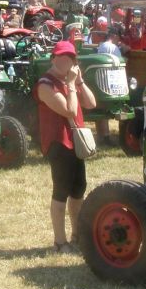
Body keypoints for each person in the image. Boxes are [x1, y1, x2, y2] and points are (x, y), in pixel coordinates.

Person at [36, 40, 97, 253]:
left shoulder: (70, 80)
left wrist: (79, 83)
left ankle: (77, 235)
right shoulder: (46, 84)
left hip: (75, 142)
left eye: (69, 59)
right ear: (53, 59)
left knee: (78, 189)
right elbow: (70, 111)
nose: (64, 62)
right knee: (61, 191)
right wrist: (71, 85)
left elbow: (91, 103)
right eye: (60, 58)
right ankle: (60, 242)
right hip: (58, 143)